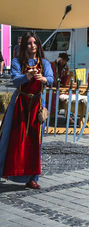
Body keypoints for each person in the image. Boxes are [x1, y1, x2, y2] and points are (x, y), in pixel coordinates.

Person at [0, 32, 54, 189]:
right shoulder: (17, 62)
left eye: (35, 43)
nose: (33, 46)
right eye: (30, 43)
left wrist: (44, 79)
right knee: (10, 137)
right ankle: (5, 169)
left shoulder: (44, 63)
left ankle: (32, 178)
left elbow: (50, 79)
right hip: (19, 104)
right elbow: (15, 80)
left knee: (35, 141)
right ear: (25, 46)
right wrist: (27, 76)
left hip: (37, 104)